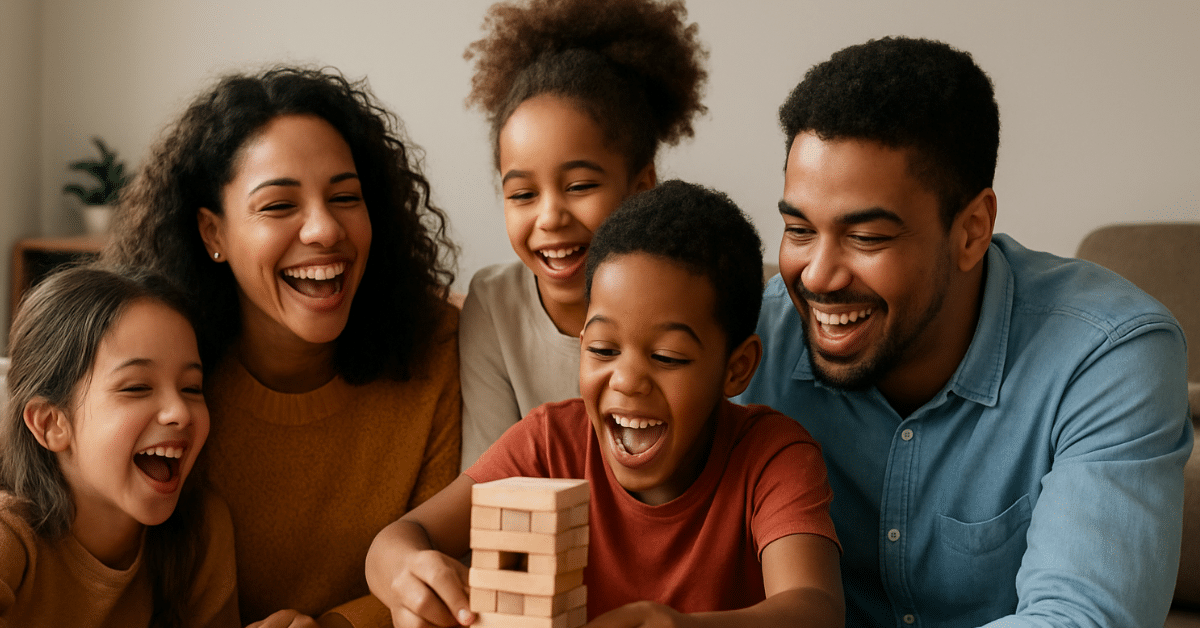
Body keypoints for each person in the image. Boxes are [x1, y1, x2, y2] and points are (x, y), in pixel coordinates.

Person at [737, 36, 1194, 626]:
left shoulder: (1109, 353)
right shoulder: (747, 342)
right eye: (799, 231)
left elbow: (1081, 618)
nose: (817, 276)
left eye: (867, 237)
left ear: (973, 230)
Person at [367, 180, 845, 628]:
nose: (627, 381)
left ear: (736, 369)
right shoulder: (549, 445)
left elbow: (815, 608)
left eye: (667, 357)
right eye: (602, 349)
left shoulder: (772, 456)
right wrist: (410, 574)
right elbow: (396, 541)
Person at [104, 66, 462, 628]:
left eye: (345, 197)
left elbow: (448, 556)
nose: (324, 229)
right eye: (277, 206)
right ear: (213, 233)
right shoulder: (158, 381)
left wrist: (338, 627)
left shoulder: (435, 348)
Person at [458, 0, 709, 468]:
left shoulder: (706, 293)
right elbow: (488, 485)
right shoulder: (495, 306)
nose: (550, 217)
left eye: (579, 187)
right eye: (522, 194)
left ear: (641, 188)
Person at [0, 265, 238, 627]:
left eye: (192, 388)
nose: (180, 412)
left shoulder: (202, 530)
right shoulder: (10, 535)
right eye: (137, 387)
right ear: (51, 424)